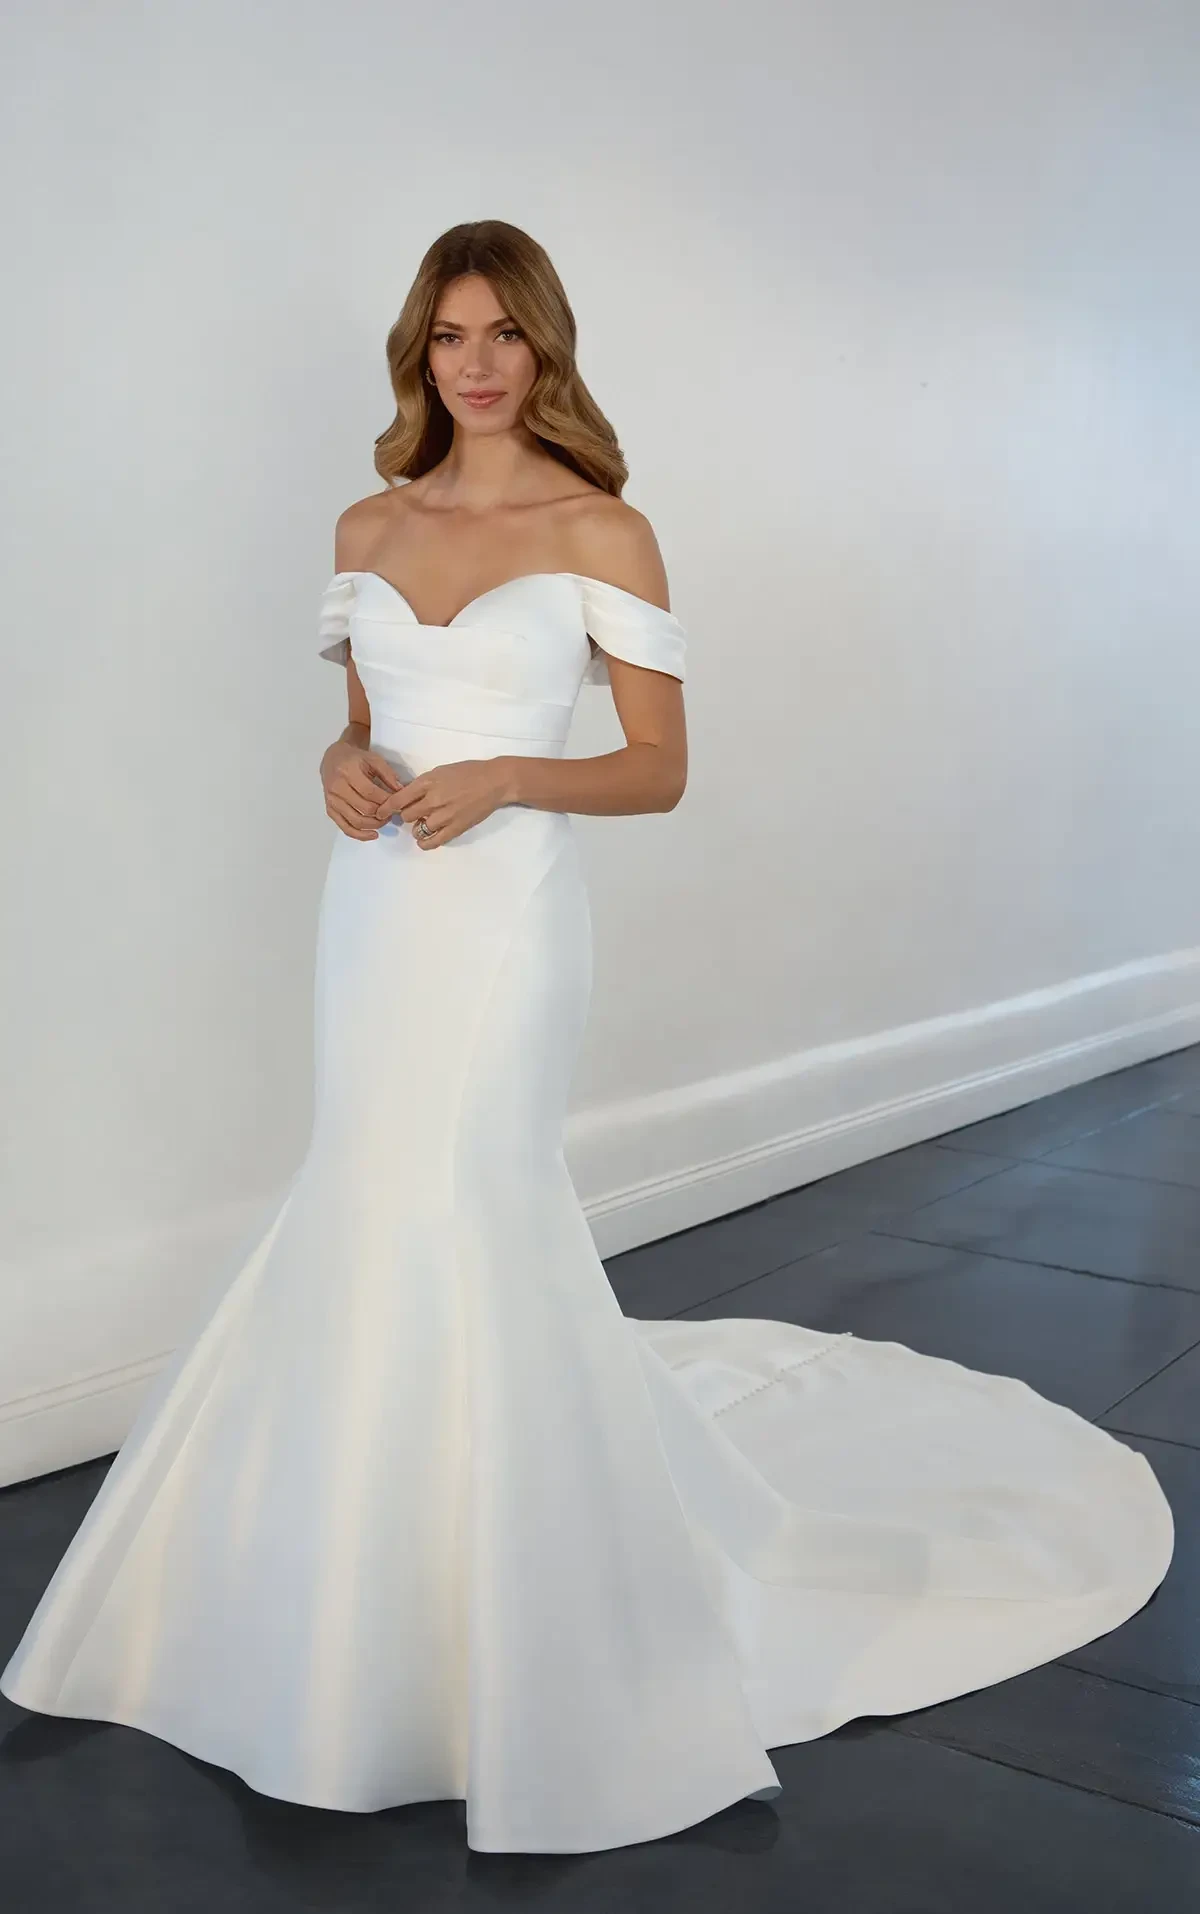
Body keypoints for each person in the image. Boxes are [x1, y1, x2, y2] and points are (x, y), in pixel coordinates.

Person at [1, 220, 1174, 1856]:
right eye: (449, 335)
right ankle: (356, 1595)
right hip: (375, 912)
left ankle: (521, 1611)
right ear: (420, 353)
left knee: (472, 1201)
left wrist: (505, 775)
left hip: (504, 918)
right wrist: (336, 762)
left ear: (545, 346)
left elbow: (657, 765)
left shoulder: (602, 529)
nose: (476, 363)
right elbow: (361, 721)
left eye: (504, 333)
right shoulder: (367, 523)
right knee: (366, 1191)